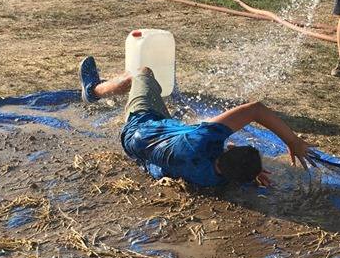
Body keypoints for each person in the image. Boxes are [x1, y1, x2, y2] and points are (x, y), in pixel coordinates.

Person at [79, 56, 311, 187]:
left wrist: (293, 141)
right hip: (146, 155)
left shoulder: (204, 137)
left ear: (228, 150)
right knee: (172, 151)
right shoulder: (212, 182)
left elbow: (255, 109)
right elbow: (226, 167)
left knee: (142, 73)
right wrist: (250, 173)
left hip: (141, 128)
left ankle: (93, 90)